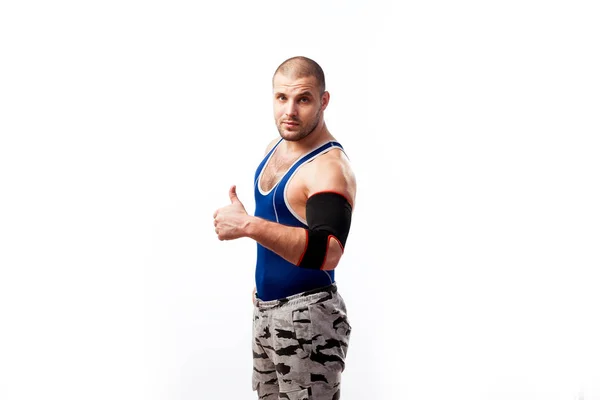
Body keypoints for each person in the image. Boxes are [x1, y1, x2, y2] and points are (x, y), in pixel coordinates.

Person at [213, 56, 356, 399]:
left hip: (308, 319)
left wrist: (248, 224)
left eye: (303, 99)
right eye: (282, 98)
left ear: (323, 101)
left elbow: (328, 250)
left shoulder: (328, 167)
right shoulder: (275, 149)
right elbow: (279, 225)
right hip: (267, 312)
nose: (290, 110)